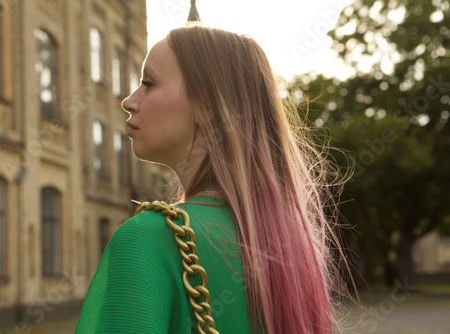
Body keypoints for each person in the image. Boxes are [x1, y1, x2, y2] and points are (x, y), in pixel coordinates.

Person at [75, 24, 343, 334]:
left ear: (208, 106)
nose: (129, 101)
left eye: (148, 83)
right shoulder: (290, 247)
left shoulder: (148, 238)